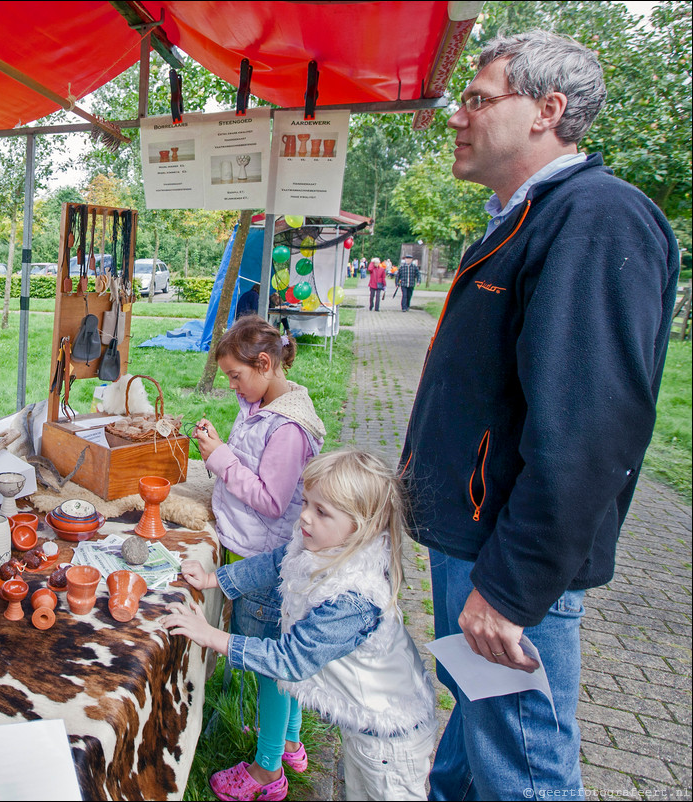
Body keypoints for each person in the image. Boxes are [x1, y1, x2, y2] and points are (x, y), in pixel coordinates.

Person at [399, 31, 680, 800]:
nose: (457, 116)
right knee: (476, 745)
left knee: (523, 767)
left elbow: (590, 434)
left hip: (504, 560)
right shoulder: (521, 217)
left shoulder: (596, 220)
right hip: (476, 542)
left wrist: (513, 587)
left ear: (546, 111)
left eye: (478, 98)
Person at [164, 449, 437, 801]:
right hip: (363, 727)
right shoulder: (323, 544)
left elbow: (290, 661)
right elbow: (275, 562)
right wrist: (213, 579)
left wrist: (210, 635)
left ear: (361, 525)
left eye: (321, 511)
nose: (304, 517)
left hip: (389, 738)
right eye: (307, 502)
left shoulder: (353, 600)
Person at [188, 317, 325, 801]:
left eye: (235, 376)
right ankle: (288, 742)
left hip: (265, 560)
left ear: (264, 364)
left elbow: (270, 498)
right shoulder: (262, 402)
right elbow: (248, 452)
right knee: (283, 655)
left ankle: (267, 771)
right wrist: (220, 444)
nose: (231, 385)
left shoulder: (288, 429)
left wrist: (219, 457)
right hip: (263, 551)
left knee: (271, 663)